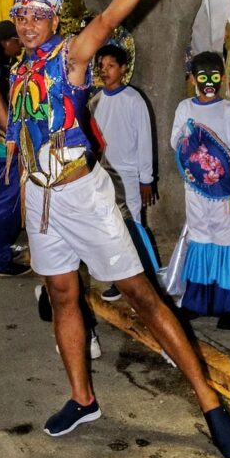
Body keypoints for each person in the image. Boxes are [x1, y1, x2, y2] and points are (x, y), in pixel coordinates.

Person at [0, 0, 230, 458]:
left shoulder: (71, 57)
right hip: (42, 198)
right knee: (62, 294)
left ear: (54, 20)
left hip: (83, 195)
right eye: (21, 16)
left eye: (37, 16)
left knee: (141, 295)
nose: (28, 24)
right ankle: (83, 399)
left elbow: (107, 19)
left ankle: (210, 403)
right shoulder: (20, 69)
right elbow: (17, 129)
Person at [169, 52, 230, 330]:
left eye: (214, 76)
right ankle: (197, 301)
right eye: (202, 76)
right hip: (195, 189)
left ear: (223, 77)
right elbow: (175, 142)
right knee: (201, 237)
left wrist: (220, 163)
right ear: (193, 79)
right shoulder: (185, 108)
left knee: (226, 241)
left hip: (225, 191)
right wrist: (189, 144)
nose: (209, 82)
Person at [89, 44, 158, 300]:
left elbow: (145, 141)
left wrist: (146, 179)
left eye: (111, 66)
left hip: (128, 175)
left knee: (132, 226)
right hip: (102, 175)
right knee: (110, 228)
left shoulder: (134, 100)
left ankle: (146, 281)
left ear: (123, 68)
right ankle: (120, 280)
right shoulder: (95, 101)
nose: (105, 71)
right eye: (101, 66)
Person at [0, 21, 29, 276]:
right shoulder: (0, 73)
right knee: (6, 201)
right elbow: (6, 115)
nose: (20, 44)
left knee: (2, 199)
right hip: (4, 144)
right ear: (5, 42)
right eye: (16, 40)